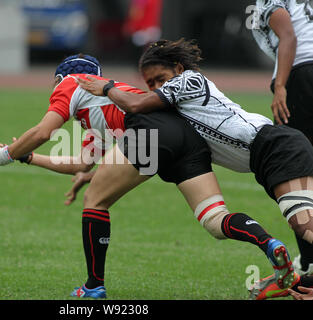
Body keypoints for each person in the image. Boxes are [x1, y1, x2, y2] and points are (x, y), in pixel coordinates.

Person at [0, 54, 295, 299]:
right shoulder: (100, 112)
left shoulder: (70, 83)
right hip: (185, 139)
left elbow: (43, 130)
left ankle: (94, 288)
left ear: (61, 79)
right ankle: (270, 243)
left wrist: (0, 157)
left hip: (151, 133)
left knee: (96, 200)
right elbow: (81, 163)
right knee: (214, 220)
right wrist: (29, 158)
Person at [76, 38, 313, 299]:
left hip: (275, 147)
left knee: (305, 226)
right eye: (151, 83)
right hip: (266, 159)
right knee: (302, 223)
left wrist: (106, 87)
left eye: (160, 78)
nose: (157, 87)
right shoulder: (174, 103)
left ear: (178, 68)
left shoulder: (190, 80)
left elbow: (134, 105)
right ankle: (302, 282)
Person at [252, 0, 313, 276]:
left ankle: (310, 260)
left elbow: (288, 35)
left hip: (302, 78)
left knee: (297, 170)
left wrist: (280, 87)